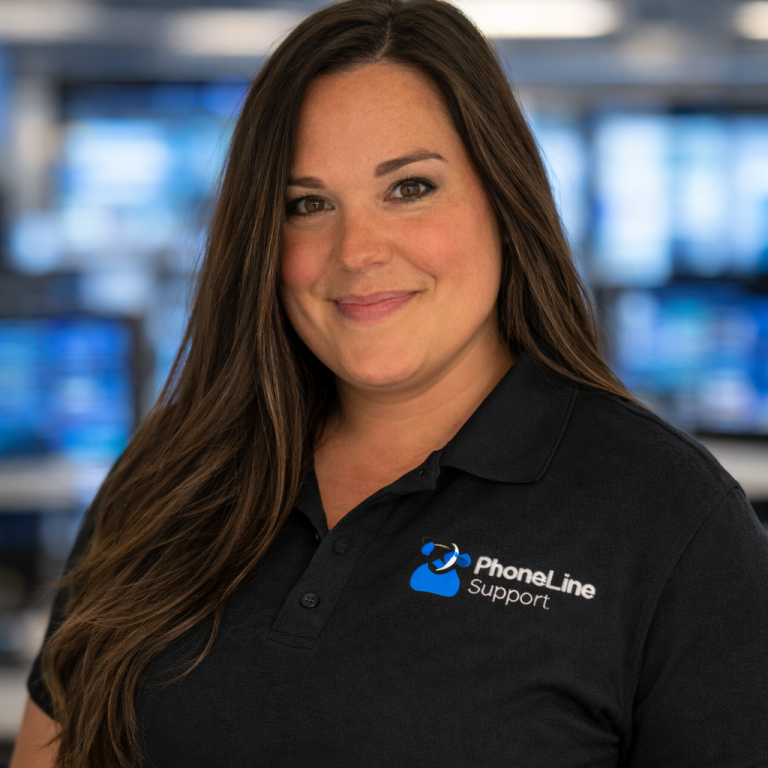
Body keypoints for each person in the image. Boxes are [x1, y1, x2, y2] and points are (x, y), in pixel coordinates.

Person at [11, 0, 768, 766]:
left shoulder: (673, 520)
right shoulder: (171, 475)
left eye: (409, 188)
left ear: (505, 200)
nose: (357, 250)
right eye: (307, 205)